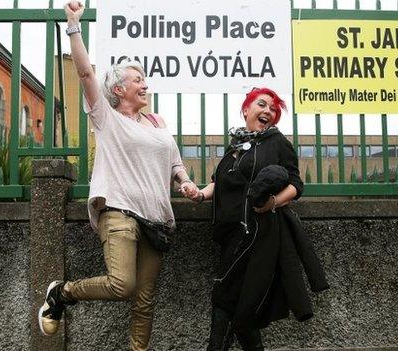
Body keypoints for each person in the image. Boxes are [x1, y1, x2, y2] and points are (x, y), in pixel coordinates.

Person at [37, 1, 199, 350]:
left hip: (156, 219)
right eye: (137, 79)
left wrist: (184, 182)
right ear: (118, 90)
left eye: (144, 79)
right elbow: (84, 74)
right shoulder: (106, 118)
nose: (145, 84)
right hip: (119, 211)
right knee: (122, 285)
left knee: (145, 299)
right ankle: (61, 293)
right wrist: (74, 25)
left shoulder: (158, 124)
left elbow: (174, 164)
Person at [186, 88, 329, 350]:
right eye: (261, 104)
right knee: (242, 302)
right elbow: (220, 183)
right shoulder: (236, 146)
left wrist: (273, 202)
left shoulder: (276, 143)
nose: (268, 111)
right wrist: (198, 194)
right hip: (232, 234)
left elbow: (296, 184)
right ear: (246, 109)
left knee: (225, 295)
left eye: (273, 109)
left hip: (260, 232)